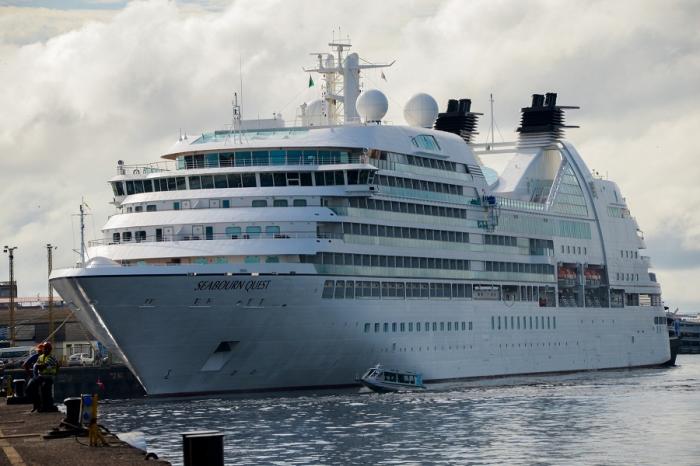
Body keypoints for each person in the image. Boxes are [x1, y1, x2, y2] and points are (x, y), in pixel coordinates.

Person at [34, 341, 59, 412]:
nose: (43, 350)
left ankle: (49, 406)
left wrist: (39, 366)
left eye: (44, 348)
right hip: (41, 377)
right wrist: (38, 366)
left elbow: (41, 366)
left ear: (48, 349)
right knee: (42, 392)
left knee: (47, 392)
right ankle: (43, 406)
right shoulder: (41, 357)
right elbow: (37, 366)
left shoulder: (51, 358)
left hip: (49, 378)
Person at [23, 343, 44, 410]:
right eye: (39, 350)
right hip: (36, 377)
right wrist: (31, 375)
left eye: (40, 350)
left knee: (31, 390)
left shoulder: (42, 357)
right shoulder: (36, 356)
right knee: (31, 390)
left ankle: (37, 405)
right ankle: (37, 405)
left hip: (39, 377)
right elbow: (25, 365)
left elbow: (25, 365)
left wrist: (31, 375)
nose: (39, 351)